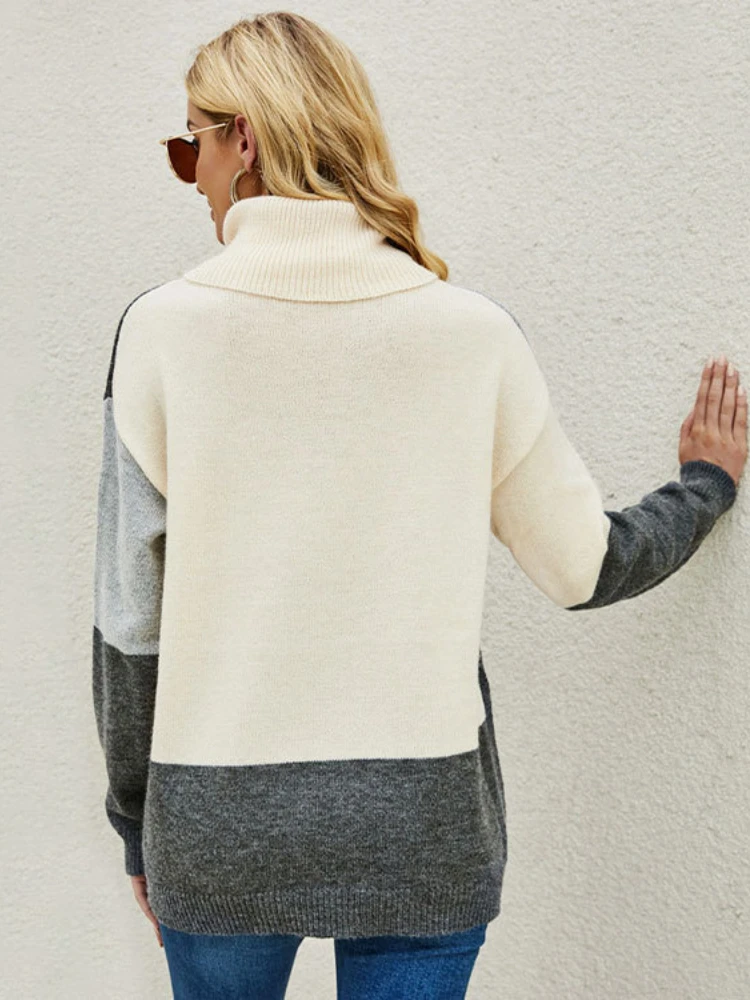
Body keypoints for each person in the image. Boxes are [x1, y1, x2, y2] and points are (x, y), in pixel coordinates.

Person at [91, 12, 747, 1000]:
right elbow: (586, 566)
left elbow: (128, 628)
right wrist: (707, 485)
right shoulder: (469, 334)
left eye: (191, 147)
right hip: (422, 828)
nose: (193, 179)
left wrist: (139, 823)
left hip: (219, 832)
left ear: (245, 140)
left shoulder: (158, 333)